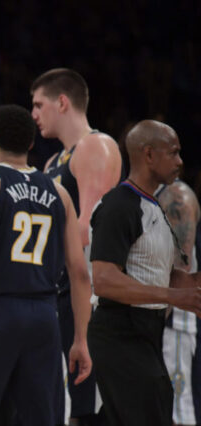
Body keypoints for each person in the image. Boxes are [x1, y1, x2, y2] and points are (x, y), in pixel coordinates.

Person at [0, 104, 92, 425]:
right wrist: (80, 340)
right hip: (45, 318)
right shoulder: (59, 193)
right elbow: (80, 273)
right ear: (31, 144)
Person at [87, 119, 201, 425]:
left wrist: (186, 290)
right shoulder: (117, 206)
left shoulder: (154, 208)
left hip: (146, 336)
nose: (180, 161)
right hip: (119, 333)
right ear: (148, 155)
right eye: (173, 153)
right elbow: (104, 280)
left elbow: (171, 276)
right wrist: (173, 296)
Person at [31, 68, 122, 424]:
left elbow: (90, 229)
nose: (34, 114)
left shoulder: (95, 145)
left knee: (85, 404)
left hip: (87, 290)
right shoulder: (54, 162)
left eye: (39, 105)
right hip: (56, 286)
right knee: (58, 401)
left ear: (62, 102)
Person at [157, 180, 200, 426]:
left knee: (175, 411)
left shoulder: (177, 197)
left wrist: (154, 320)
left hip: (173, 320)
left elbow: (180, 269)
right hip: (154, 311)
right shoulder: (143, 195)